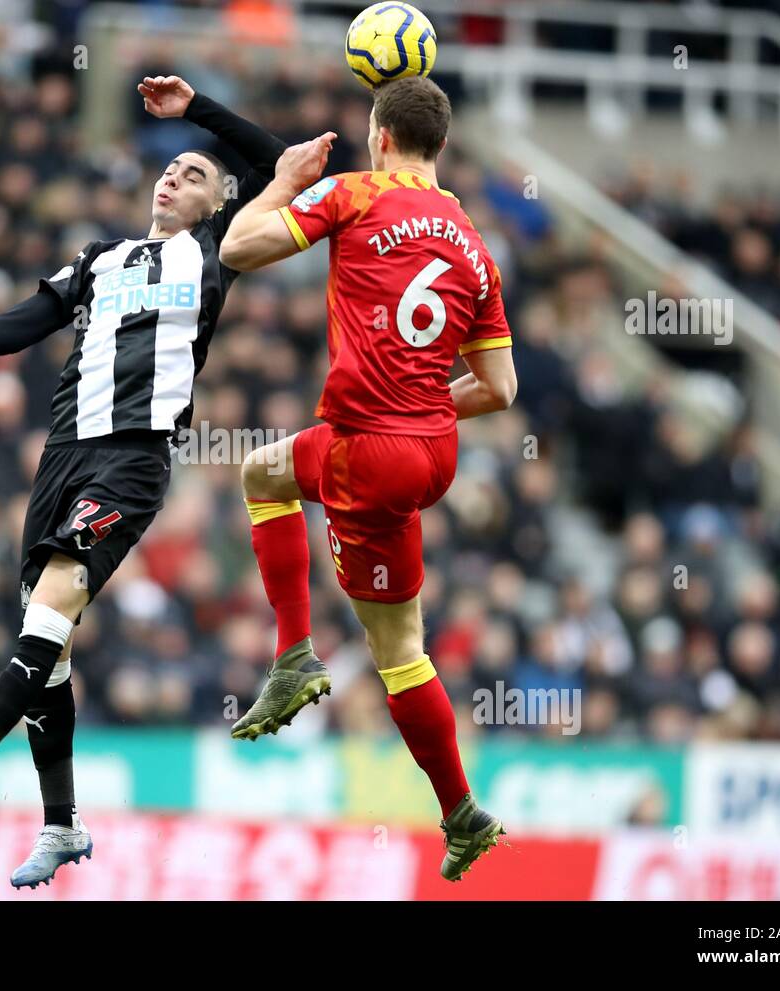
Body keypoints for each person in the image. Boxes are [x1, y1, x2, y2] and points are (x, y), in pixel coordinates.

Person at [0, 75, 289, 888]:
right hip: (63, 453)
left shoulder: (216, 254)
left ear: (218, 204)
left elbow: (281, 163)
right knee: (51, 639)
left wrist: (198, 112)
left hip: (132, 458)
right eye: (170, 168)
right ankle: (63, 824)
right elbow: (29, 321)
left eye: (196, 174)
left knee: (60, 596)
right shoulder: (101, 258)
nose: (175, 176)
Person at [219, 75, 517, 883]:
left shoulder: (354, 194)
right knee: (403, 648)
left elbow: (236, 249)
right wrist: (424, 407)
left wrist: (283, 183)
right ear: (442, 147)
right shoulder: (472, 243)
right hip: (432, 454)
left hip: (367, 449)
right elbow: (500, 389)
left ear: (379, 132)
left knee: (260, 476)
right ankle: (461, 811)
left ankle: (292, 656)